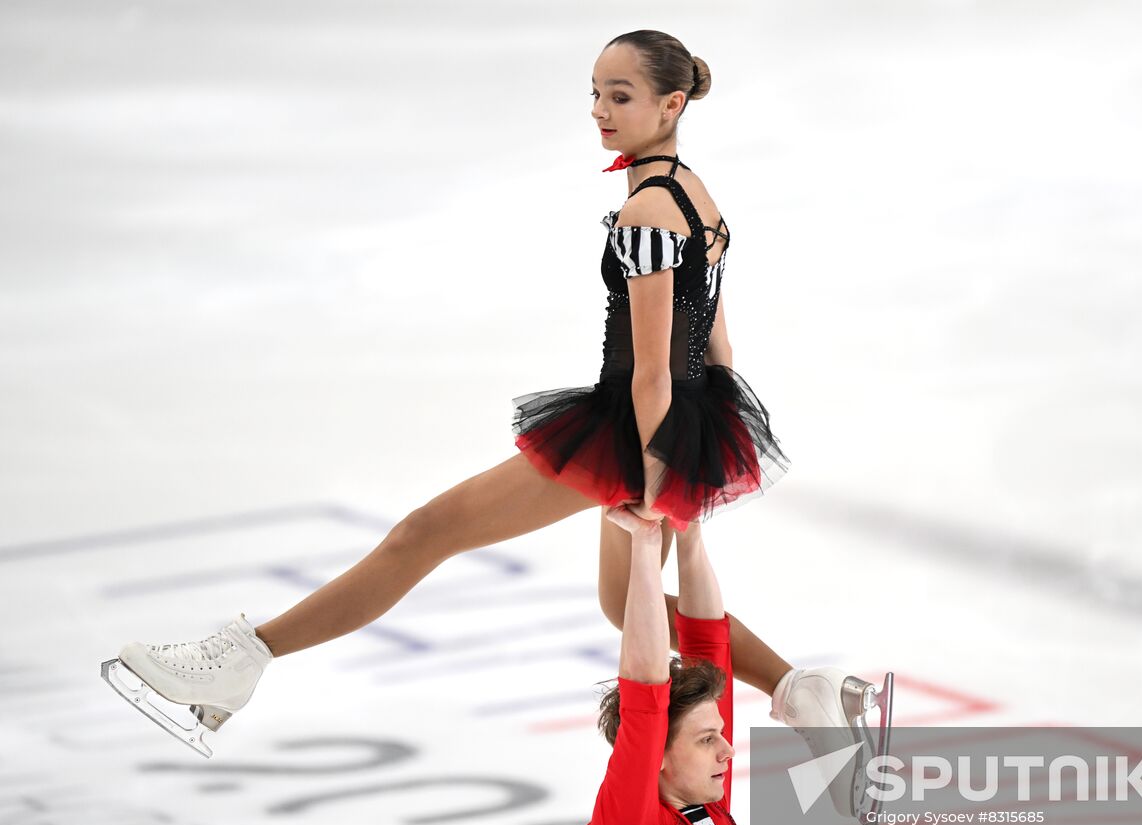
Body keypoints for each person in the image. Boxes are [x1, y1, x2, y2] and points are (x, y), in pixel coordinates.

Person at [98, 30, 891, 786]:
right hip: (677, 423)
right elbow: (714, 338)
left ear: (672, 105)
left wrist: (656, 485)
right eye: (594, 93)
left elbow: (652, 373)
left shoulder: (647, 211)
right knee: (623, 605)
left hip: (630, 429)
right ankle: (799, 690)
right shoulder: (694, 192)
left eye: (620, 95)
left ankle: (244, 658)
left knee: (422, 533)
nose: (599, 110)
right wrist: (696, 448)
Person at [583, 503, 755, 825]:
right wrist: (644, 544)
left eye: (718, 735)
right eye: (707, 740)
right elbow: (644, 698)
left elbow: (709, 641)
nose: (727, 749)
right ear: (655, 755)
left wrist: (689, 529)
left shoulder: (701, 800)